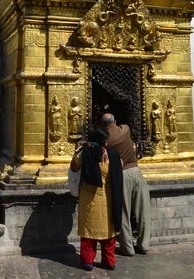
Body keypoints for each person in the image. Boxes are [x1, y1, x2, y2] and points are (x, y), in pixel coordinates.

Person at [70, 127, 123, 271]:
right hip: (108, 198)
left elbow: (74, 167)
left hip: (90, 199)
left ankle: (88, 261)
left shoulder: (85, 154)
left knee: (89, 231)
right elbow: (121, 167)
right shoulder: (113, 154)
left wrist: (80, 149)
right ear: (105, 141)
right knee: (108, 231)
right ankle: (109, 261)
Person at [101, 113, 150, 255]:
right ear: (115, 121)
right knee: (143, 210)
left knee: (124, 211)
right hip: (136, 172)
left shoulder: (106, 140)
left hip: (121, 175)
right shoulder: (126, 129)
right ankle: (144, 244)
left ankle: (127, 247)